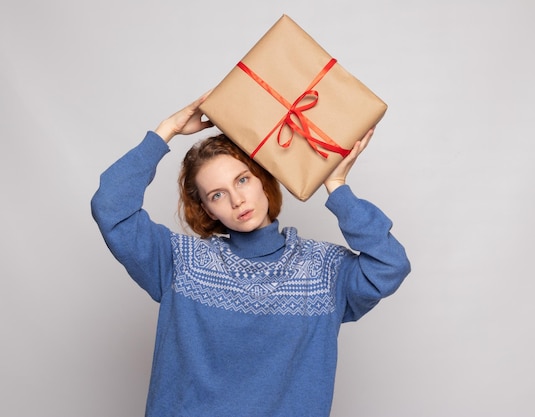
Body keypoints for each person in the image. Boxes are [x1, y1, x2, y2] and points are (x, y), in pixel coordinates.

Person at [91, 93, 411, 417]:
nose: (237, 200)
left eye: (242, 180)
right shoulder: (179, 262)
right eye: (218, 195)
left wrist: (338, 187)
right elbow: (110, 206)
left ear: (262, 178)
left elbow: (389, 264)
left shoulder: (324, 270)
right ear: (207, 209)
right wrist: (166, 131)